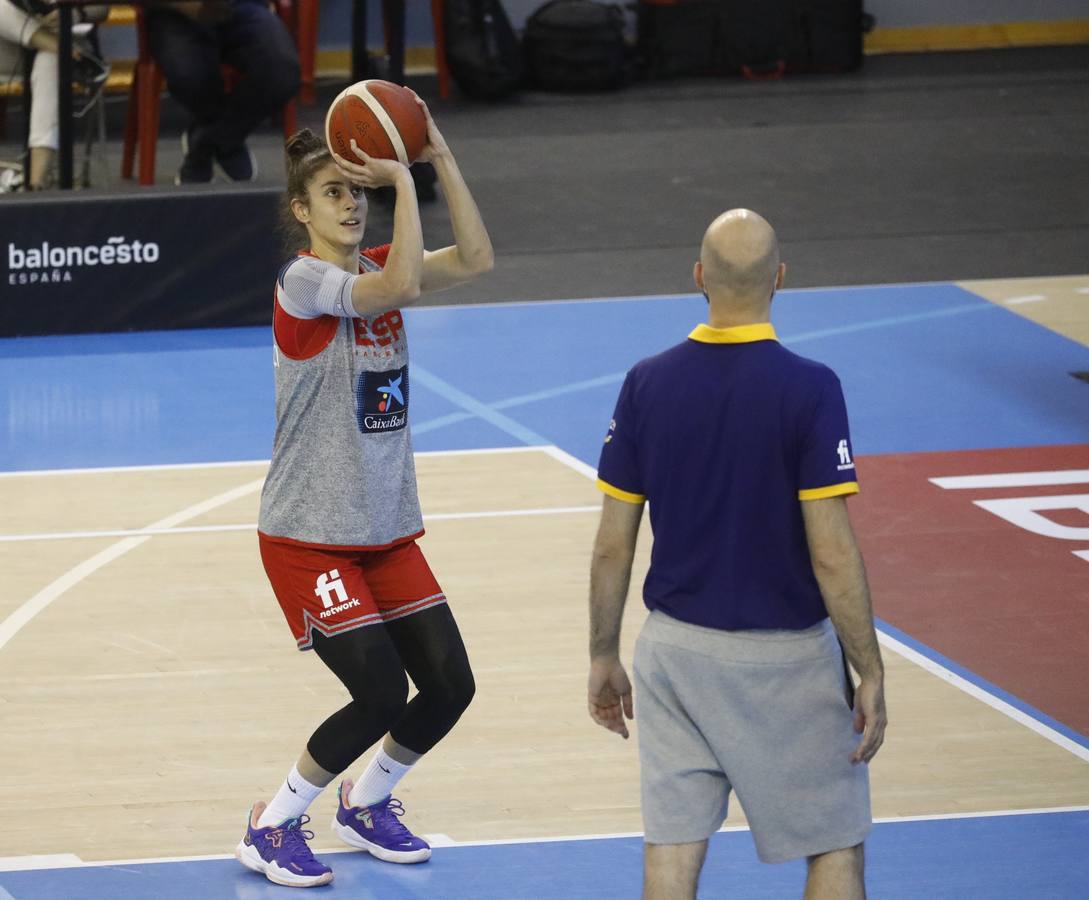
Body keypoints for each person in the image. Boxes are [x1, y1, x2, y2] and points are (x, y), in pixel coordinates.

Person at [586, 209, 887, 900]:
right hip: (783, 663)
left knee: (671, 852)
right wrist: (866, 669)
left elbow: (612, 545)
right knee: (833, 844)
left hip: (672, 655)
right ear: (780, 278)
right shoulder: (810, 388)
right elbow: (832, 553)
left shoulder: (645, 383)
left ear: (698, 277)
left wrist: (603, 655)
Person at [236, 97, 493, 888]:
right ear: (301, 211)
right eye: (335, 193)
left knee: (451, 685)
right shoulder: (303, 281)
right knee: (379, 689)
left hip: (381, 530)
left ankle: (367, 799)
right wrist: (399, 180)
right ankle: (270, 824)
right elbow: (396, 287)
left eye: (359, 192)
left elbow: (477, 259)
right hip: (307, 535)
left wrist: (437, 157)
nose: (351, 204)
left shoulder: (378, 261)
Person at [145, 0, 301, 185]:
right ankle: (223, 140)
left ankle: (206, 145)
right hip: (173, 14)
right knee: (190, 76)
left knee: (283, 71)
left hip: (242, 6)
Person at [0, 0, 108, 190]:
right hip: (10, 40)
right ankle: (59, 47)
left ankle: (36, 182)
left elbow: (103, 8)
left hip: (67, 33)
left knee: (51, 60)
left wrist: (77, 14)